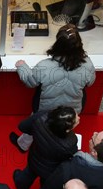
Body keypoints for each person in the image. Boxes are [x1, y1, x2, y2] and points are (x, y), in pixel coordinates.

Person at [10, 23, 95, 152]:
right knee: (65, 126)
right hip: (73, 108)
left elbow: (30, 82)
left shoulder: (44, 66)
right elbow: (90, 83)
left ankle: (23, 145)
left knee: (36, 124)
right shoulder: (87, 65)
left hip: (45, 107)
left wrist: (22, 66)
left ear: (57, 44)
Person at [12, 106, 79, 189]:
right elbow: (70, 158)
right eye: (76, 120)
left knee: (28, 174)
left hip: (34, 157)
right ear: (67, 130)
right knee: (46, 185)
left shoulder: (40, 117)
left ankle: (21, 187)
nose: (78, 118)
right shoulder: (71, 142)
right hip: (50, 170)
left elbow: (22, 126)